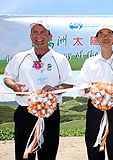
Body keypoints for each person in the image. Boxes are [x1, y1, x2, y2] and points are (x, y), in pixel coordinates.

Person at [3, 21, 74, 160]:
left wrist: (55, 89)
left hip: (50, 113)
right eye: (35, 32)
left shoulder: (60, 59)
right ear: (30, 36)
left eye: (43, 32)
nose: (38, 36)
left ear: (50, 36)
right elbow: (7, 77)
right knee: (24, 154)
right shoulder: (20, 57)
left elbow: (69, 84)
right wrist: (13, 85)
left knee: (48, 154)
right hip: (25, 112)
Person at [77, 26, 113, 160]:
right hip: (94, 110)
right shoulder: (90, 62)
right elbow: (81, 88)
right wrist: (94, 88)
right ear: (96, 39)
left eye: (109, 34)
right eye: (102, 35)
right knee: (94, 151)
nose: (105, 38)